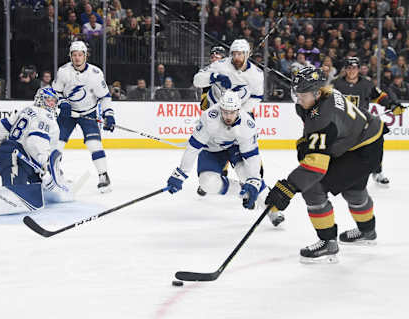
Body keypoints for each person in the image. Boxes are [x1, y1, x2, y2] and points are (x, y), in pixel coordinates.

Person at [264, 67, 402, 263]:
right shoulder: (326, 94)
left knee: (313, 188)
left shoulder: (322, 117)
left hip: (362, 150)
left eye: (302, 95)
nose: (298, 100)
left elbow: (315, 168)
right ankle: (367, 232)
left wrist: (288, 187)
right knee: (353, 189)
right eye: (297, 94)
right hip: (365, 139)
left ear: (317, 93)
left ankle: (328, 243)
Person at [165, 91, 284, 227]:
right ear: (220, 108)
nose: (228, 116)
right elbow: (193, 148)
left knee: (247, 176)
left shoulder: (247, 124)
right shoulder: (209, 118)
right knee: (207, 183)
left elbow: (252, 156)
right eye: (225, 112)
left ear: (238, 110)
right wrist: (180, 174)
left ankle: (273, 211)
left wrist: (254, 180)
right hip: (212, 150)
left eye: (232, 112)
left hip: (235, 148)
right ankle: (243, 192)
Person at [0, 88, 72, 218]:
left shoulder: (27, 110)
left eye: (54, 101)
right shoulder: (47, 118)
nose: (53, 104)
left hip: (17, 156)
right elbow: (35, 142)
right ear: (41, 100)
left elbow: (3, 126)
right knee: (14, 194)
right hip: (15, 156)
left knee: (37, 188)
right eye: (49, 101)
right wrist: (46, 166)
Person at [52, 41, 115, 193]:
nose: (77, 58)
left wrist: (109, 114)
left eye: (80, 55)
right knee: (56, 143)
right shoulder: (63, 71)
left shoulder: (95, 74)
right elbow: (55, 92)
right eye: (74, 55)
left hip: (88, 113)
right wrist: (63, 103)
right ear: (70, 56)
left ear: (86, 56)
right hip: (68, 113)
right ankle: (54, 174)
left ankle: (103, 175)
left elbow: (105, 96)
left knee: (94, 144)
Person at [332, 57, 405, 187]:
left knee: (376, 141)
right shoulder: (336, 84)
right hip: (341, 125)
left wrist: (392, 105)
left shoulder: (367, 84)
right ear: (345, 69)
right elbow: (325, 99)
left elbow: (380, 97)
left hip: (361, 123)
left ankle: (377, 172)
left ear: (358, 69)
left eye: (354, 68)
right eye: (349, 68)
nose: (352, 71)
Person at [193, 39, 264, 112]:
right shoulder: (219, 65)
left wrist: (238, 113)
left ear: (246, 54)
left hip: (241, 112)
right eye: (234, 54)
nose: (236, 57)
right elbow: (197, 81)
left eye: (239, 54)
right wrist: (215, 77)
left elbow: (256, 97)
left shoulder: (257, 74)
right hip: (214, 109)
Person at [200, 46, 227, 111]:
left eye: (217, 57)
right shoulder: (206, 70)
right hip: (209, 101)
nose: (214, 59)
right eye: (212, 57)